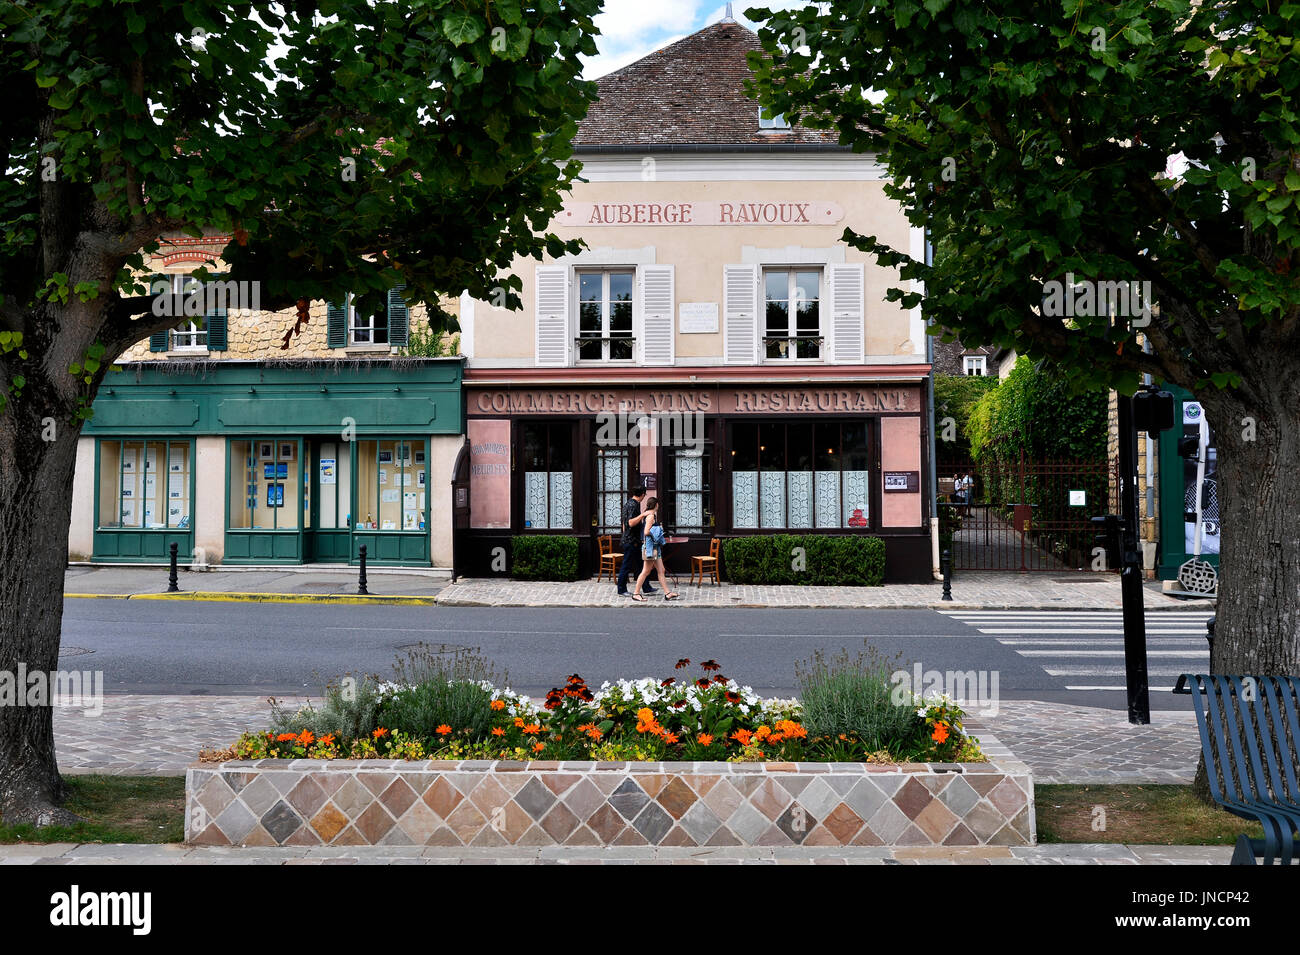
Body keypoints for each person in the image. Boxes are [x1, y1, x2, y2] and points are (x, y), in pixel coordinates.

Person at [632, 497, 679, 601]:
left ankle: (667, 593)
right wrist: (658, 530)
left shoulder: (651, 515)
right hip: (650, 548)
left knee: (661, 570)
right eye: (658, 504)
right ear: (656, 505)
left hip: (654, 548)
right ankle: (636, 593)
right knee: (645, 571)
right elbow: (646, 532)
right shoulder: (651, 516)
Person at [616, 484, 657, 597]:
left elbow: (624, 524)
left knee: (641, 565)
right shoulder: (633, 505)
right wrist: (643, 515)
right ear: (643, 494)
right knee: (626, 566)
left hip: (632, 539)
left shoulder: (628, 503)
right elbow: (630, 523)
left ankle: (646, 587)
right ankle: (621, 589)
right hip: (631, 541)